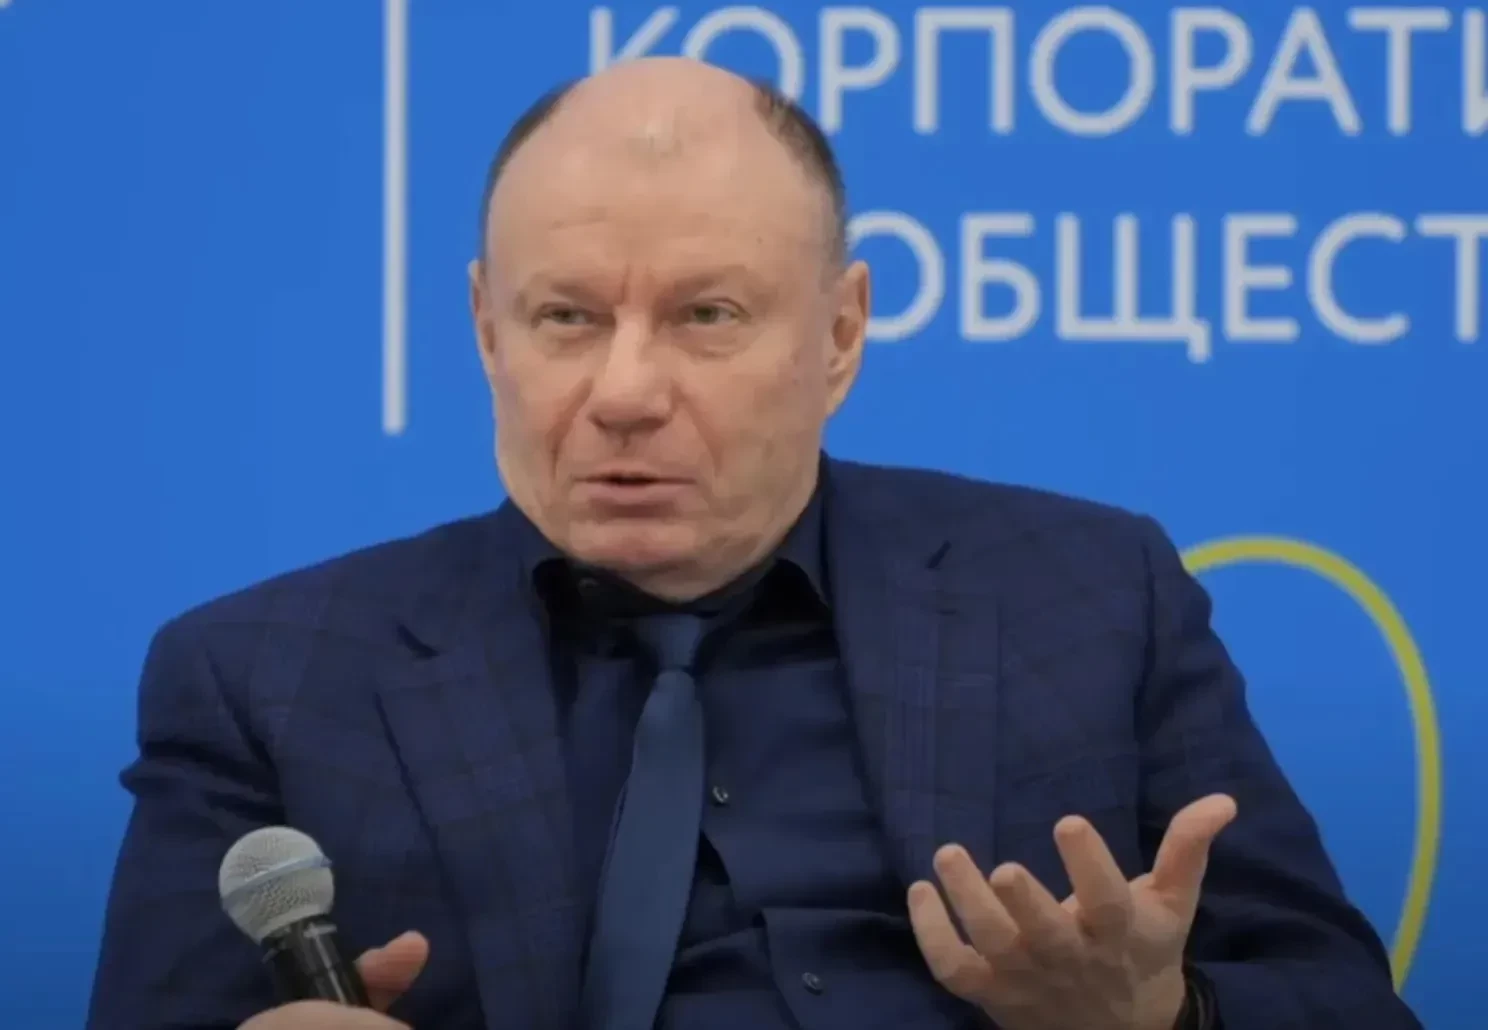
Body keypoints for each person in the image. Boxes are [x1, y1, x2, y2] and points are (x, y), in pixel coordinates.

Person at [86, 57, 1421, 1030]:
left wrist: (1159, 1019)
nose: (623, 391)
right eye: (566, 318)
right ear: (487, 327)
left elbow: (1344, 1001)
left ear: (841, 335)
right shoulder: (264, 677)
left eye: (707, 316)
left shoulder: (1090, 595)